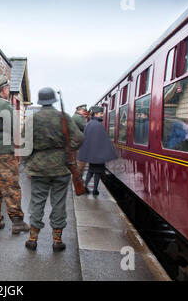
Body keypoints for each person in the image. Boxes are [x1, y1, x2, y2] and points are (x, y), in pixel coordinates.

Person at [23, 87, 84, 252]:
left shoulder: (32, 119)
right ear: (53, 101)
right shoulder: (63, 117)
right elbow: (79, 138)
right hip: (61, 167)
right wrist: (66, 150)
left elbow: (24, 145)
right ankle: (57, 240)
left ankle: (32, 238)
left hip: (38, 167)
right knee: (58, 203)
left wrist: (26, 164)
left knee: (37, 202)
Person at [0, 75, 30, 234]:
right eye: (7, 88)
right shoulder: (5, 106)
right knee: (11, 186)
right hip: (3, 151)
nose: (8, 91)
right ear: (3, 90)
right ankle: (17, 222)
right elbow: (14, 131)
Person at [77, 106, 118, 195]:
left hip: (92, 154)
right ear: (95, 114)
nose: (102, 115)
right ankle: (94, 190)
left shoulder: (89, 124)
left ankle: (86, 187)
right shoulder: (98, 125)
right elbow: (104, 141)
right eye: (101, 113)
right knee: (98, 172)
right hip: (98, 155)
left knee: (91, 171)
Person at [72, 104, 88, 173]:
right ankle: (78, 178)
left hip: (76, 141)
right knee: (80, 162)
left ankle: (78, 177)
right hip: (78, 142)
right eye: (83, 110)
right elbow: (86, 127)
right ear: (78, 110)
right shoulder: (78, 117)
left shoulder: (76, 116)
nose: (84, 112)